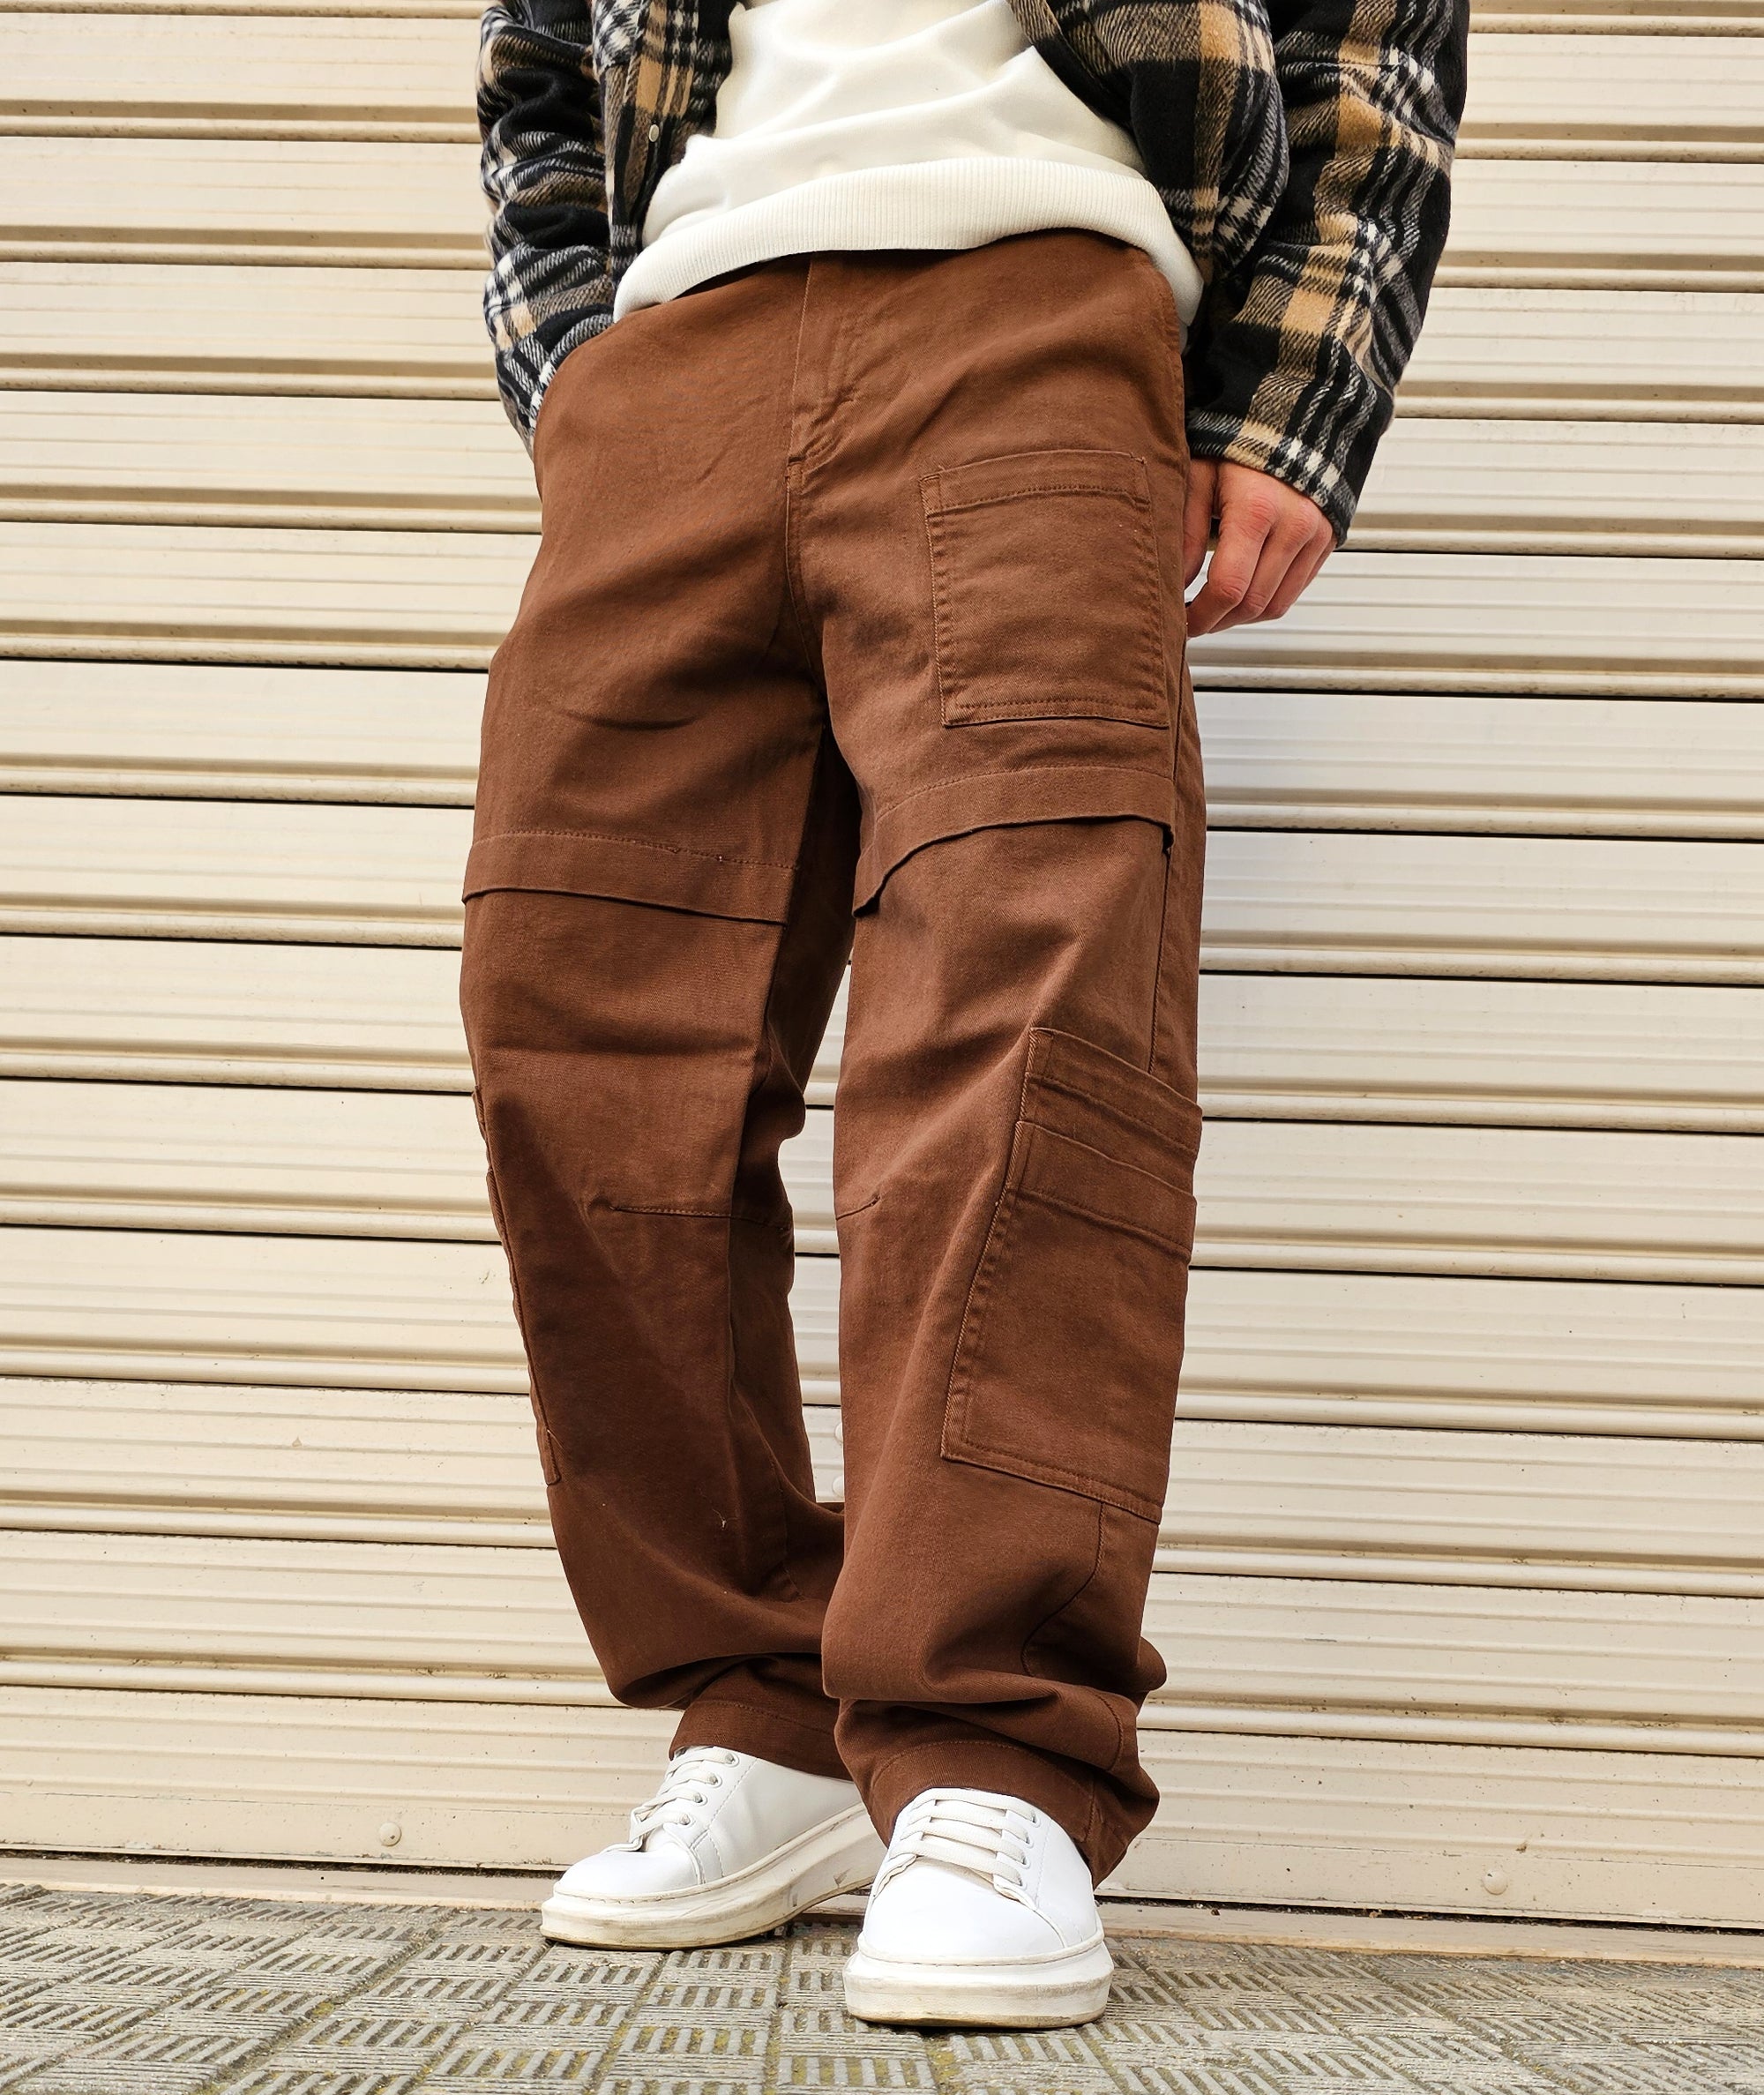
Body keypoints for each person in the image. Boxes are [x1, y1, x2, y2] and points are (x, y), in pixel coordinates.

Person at [463, 0, 1466, 2029]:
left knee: (1023, 1031)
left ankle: (991, 1751)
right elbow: (539, 84)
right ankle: (761, 1705)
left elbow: (1374, 48)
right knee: (575, 1032)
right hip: (677, 343)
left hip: (1038, 300)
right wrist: (577, 376)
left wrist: (1284, 408)